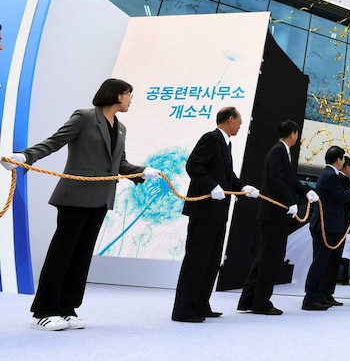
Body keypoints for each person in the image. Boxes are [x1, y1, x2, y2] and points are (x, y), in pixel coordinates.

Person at [1, 78, 159, 331]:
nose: (131, 99)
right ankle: (44, 310)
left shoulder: (121, 128)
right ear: (116, 95)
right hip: (75, 197)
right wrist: (24, 157)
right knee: (61, 254)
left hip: (101, 199)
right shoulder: (84, 117)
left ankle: (67, 308)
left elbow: (119, 166)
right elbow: (54, 141)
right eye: (129, 94)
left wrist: (142, 171)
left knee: (81, 256)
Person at [171, 107, 259, 323]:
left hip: (218, 213)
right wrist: (211, 186)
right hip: (204, 211)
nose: (240, 126)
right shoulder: (211, 138)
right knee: (197, 260)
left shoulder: (225, 144)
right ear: (230, 120)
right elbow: (193, 165)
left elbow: (228, 175)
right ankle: (184, 309)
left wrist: (243, 188)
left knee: (211, 261)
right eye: (238, 121)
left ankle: (201, 303)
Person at [237, 119, 316, 315]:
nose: (297, 137)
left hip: (273, 215)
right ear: (292, 134)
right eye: (297, 133)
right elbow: (278, 181)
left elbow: (290, 180)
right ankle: (261, 303)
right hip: (275, 214)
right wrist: (290, 202)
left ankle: (249, 300)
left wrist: (306, 191)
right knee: (270, 259)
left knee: (265, 257)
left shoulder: (281, 152)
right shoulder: (279, 152)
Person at [303, 146, 350, 311]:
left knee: (322, 263)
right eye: (343, 159)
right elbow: (341, 197)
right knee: (319, 263)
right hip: (325, 225)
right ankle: (311, 298)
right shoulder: (330, 176)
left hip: (328, 225)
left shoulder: (328, 174)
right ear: (339, 160)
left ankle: (318, 296)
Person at [322, 154, 350, 305]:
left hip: (336, 223)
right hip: (337, 224)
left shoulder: (336, 177)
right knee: (332, 260)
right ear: (343, 165)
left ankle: (326, 293)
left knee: (331, 260)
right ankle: (326, 293)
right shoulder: (341, 179)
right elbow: (347, 199)